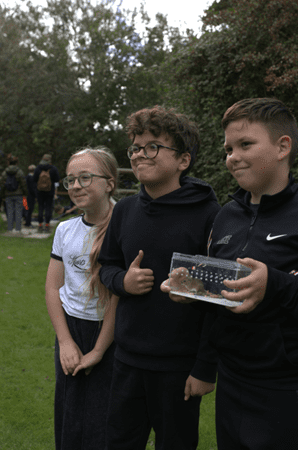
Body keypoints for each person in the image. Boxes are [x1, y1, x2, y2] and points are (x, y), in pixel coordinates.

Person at [161, 98, 298, 449]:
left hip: (294, 387)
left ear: (282, 147)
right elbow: (224, 298)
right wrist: (194, 289)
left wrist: (275, 284)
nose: (233, 156)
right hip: (233, 383)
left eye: (245, 144)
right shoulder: (225, 217)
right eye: (228, 148)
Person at [98, 106, 221, 450]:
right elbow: (107, 266)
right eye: (136, 147)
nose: (140, 154)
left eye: (153, 146)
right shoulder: (124, 211)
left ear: (183, 160)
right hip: (126, 358)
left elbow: (218, 298)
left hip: (179, 366)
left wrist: (204, 367)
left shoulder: (210, 215)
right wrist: (123, 282)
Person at [45, 147, 119, 450]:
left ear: (109, 183)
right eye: (71, 180)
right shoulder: (65, 230)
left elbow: (117, 297)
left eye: (85, 178)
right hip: (71, 330)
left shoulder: (124, 227)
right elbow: (53, 288)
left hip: (111, 334)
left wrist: (99, 350)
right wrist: (65, 342)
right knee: (69, 415)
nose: (75, 186)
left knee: (105, 419)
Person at [0, 155, 28, 233]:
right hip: (18, 194)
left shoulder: (5, 172)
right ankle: (18, 229)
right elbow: (23, 183)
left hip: (8, 194)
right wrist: (25, 193)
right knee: (18, 211)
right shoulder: (19, 172)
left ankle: (10, 228)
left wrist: (2, 195)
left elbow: (2, 184)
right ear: (16, 163)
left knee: (9, 211)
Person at [34, 153, 60, 233]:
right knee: (48, 208)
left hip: (39, 191)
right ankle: (47, 225)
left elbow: (34, 179)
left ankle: (40, 225)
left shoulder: (38, 168)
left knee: (40, 207)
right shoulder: (53, 168)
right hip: (50, 191)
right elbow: (57, 179)